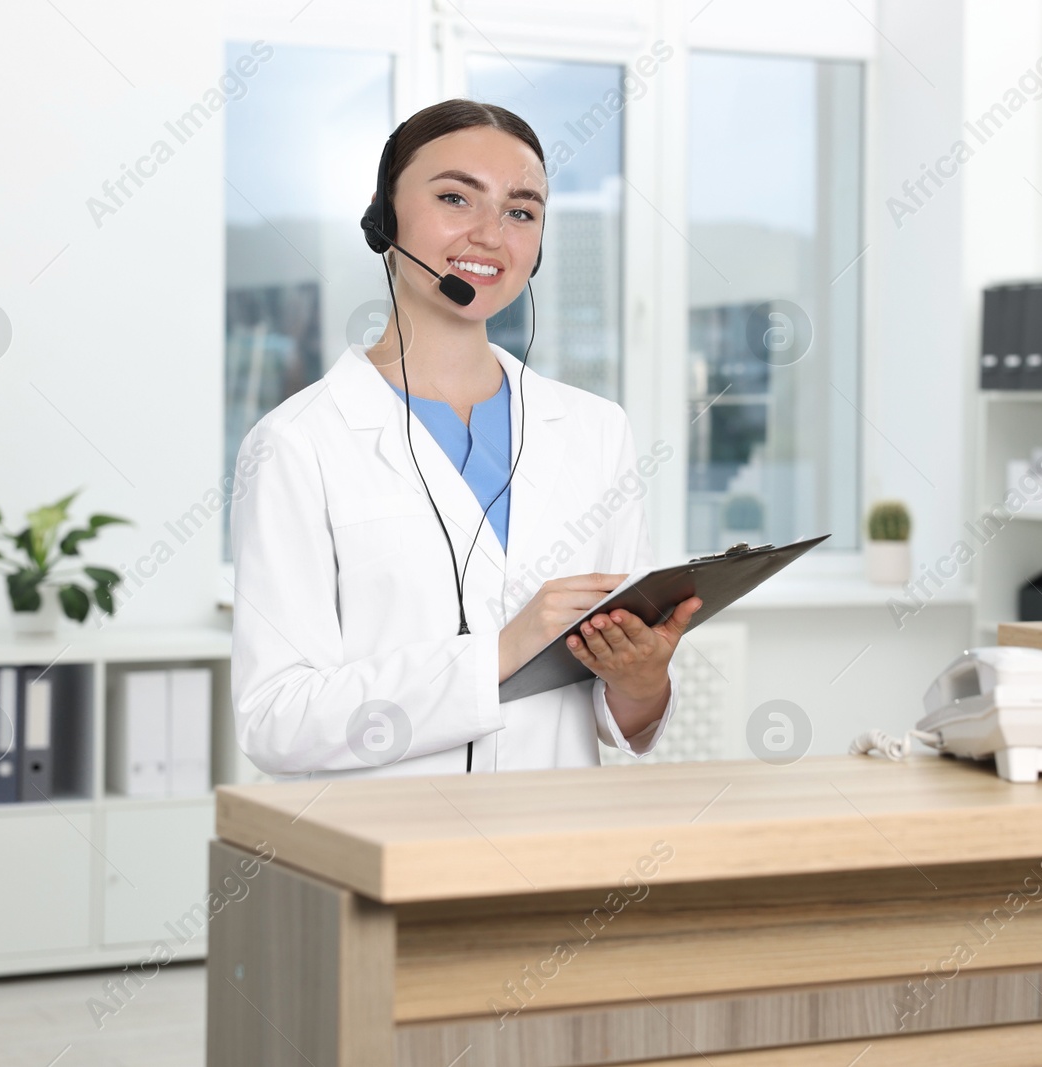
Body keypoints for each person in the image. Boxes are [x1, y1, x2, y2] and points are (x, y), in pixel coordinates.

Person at [229, 99, 701, 778]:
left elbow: (608, 711)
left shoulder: (598, 431)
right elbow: (276, 719)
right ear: (383, 216)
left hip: (556, 847)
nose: (490, 234)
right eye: (456, 196)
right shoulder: (298, 443)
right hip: (386, 855)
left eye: (521, 211)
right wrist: (500, 651)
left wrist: (642, 680)